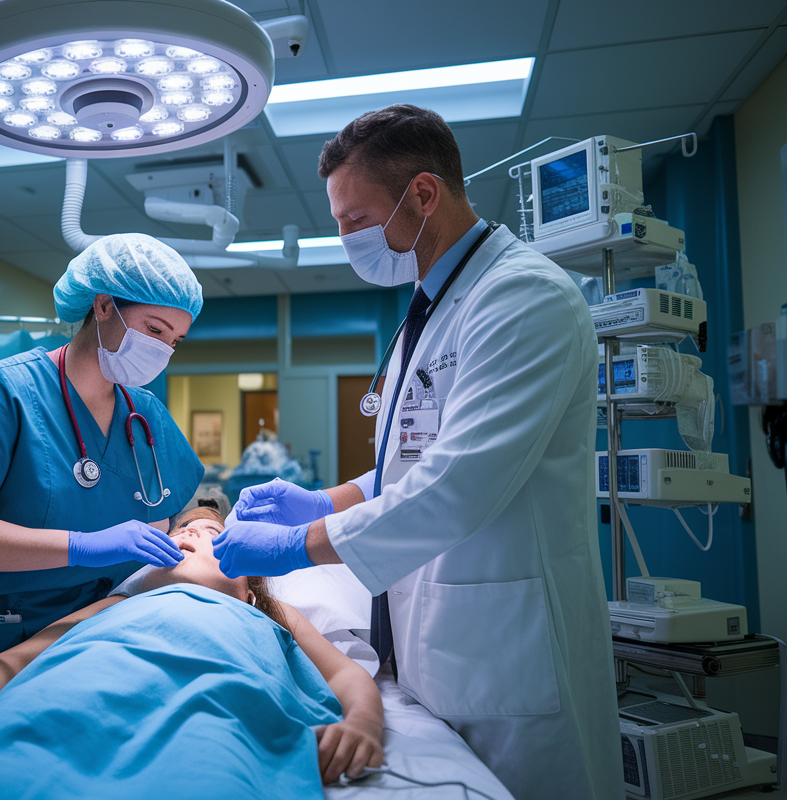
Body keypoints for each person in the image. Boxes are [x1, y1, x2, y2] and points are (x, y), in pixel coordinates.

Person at [211, 105, 622, 799]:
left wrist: (294, 545)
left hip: (508, 649)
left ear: (422, 194)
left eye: (354, 220)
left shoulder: (523, 298)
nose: (345, 238)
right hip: (434, 647)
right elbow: (413, 463)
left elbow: (459, 481)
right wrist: (327, 499)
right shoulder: (429, 310)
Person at [0, 507, 385, 799]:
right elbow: (24, 657)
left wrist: (361, 723)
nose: (190, 535)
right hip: (82, 688)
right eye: (182, 530)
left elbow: (344, 675)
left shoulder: (265, 614)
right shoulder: (117, 603)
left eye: (211, 535)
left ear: (249, 582)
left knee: (212, 771)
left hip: (216, 698)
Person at [0, 233, 205, 660]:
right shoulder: (3, 393)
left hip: (99, 637)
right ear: (104, 305)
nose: (162, 350)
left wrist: (207, 522)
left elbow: (181, 507)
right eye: (154, 329)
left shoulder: (146, 414)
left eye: (174, 341)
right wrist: (81, 546)